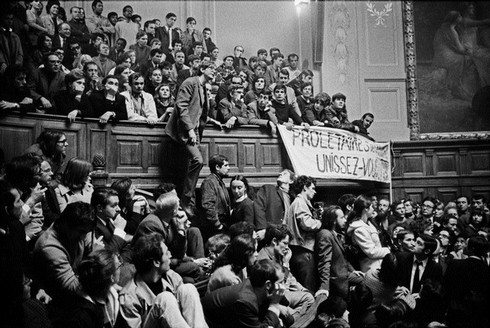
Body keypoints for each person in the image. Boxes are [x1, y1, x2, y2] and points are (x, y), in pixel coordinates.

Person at [119, 232, 208, 328]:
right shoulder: (129, 299)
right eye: (166, 253)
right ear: (157, 262)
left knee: (188, 289)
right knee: (165, 299)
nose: (170, 255)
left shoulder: (171, 276)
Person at [163, 61, 216, 212]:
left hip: (196, 130)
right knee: (198, 161)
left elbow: (200, 112)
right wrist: (190, 130)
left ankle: (188, 201)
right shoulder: (190, 82)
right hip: (185, 130)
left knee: (191, 165)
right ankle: (186, 200)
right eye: (211, 68)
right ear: (203, 69)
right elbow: (181, 106)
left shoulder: (204, 88)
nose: (214, 72)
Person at [33, 202, 97, 304]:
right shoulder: (49, 246)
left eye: (87, 232)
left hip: (78, 287)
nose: (84, 237)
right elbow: (72, 287)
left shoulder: (79, 229)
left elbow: (96, 253)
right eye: (81, 232)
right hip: (58, 300)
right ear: (65, 224)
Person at [201, 258, 285, 328]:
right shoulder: (245, 301)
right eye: (281, 283)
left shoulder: (257, 288)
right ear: (268, 285)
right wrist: (274, 306)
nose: (283, 287)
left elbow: (287, 317)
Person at [258, 224, 315, 322]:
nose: (287, 248)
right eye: (285, 243)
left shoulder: (277, 254)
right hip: (275, 297)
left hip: (284, 293)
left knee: (310, 296)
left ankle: (294, 317)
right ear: (274, 241)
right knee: (308, 299)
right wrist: (286, 264)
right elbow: (280, 286)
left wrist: (302, 289)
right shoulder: (263, 261)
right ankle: (293, 319)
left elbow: (290, 278)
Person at [58, 249, 118, 328]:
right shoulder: (84, 316)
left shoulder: (108, 293)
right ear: (112, 277)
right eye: (119, 265)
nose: (121, 264)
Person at [284, 175, 322, 292]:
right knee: (308, 288)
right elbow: (307, 224)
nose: (315, 192)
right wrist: (321, 222)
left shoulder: (296, 202)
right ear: (305, 187)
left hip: (297, 250)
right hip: (303, 251)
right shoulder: (300, 202)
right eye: (313, 188)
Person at [443, 235, 490, 328]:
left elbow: (445, 288)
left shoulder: (455, 264)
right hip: (478, 315)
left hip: (455, 313)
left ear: (471, 248)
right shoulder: (486, 270)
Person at [316, 205, 361, 301]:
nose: (345, 220)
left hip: (345, 274)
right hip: (337, 280)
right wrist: (324, 287)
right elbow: (324, 263)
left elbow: (343, 258)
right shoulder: (325, 234)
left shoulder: (335, 234)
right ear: (333, 221)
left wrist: (353, 271)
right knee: (369, 281)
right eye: (342, 218)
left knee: (366, 278)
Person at [432, 11, 480, 100]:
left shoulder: (443, 27)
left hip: (440, 53)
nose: (461, 18)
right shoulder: (452, 30)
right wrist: (468, 50)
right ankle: (456, 86)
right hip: (447, 56)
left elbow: (452, 45)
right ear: (455, 19)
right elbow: (460, 49)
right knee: (462, 59)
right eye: (459, 16)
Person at [346, 195, 391, 272]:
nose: (374, 209)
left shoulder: (370, 223)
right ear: (365, 209)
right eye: (371, 207)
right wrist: (388, 250)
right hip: (371, 268)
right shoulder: (359, 229)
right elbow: (371, 252)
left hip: (379, 264)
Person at [200, 154, 231, 238]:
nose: (229, 168)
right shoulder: (209, 182)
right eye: (226, 165)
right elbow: (207, 206)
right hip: (214, 228)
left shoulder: (218, 181)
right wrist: (218, 225)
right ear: (217, 167)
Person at [92, 187, 130, 254]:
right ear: (100, 208)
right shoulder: (93, 227)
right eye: (113, 206)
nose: (119, 209)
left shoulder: (107, 219)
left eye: (118, 204)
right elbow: (108, 255)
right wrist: (119, 230)